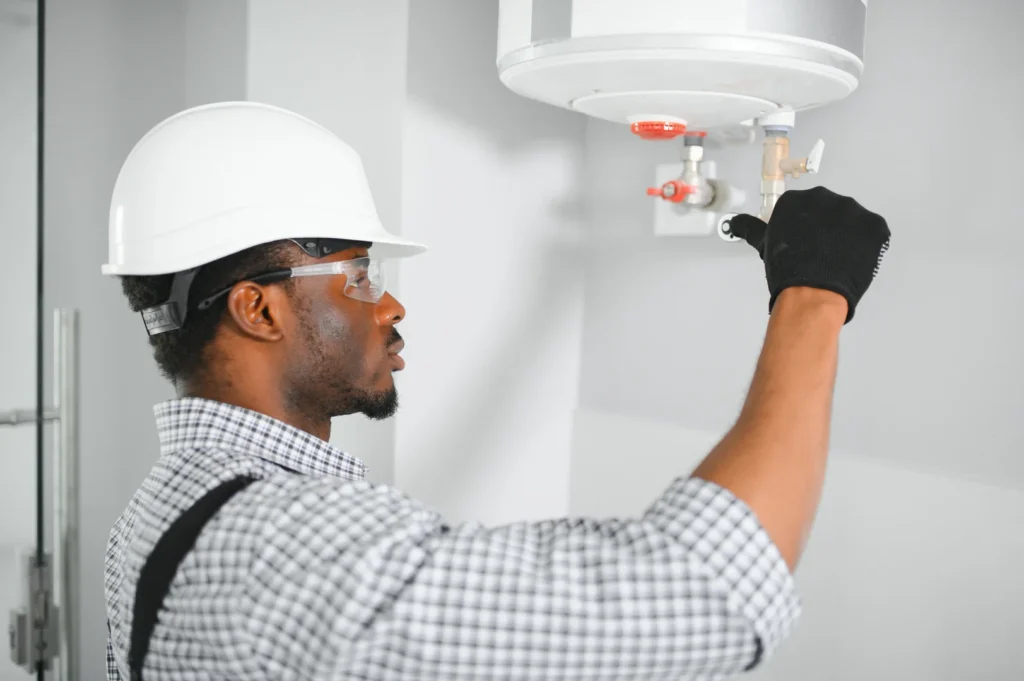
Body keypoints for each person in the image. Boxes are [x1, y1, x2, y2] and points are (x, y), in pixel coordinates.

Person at [101, 101, 890, 681]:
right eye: (359, 274)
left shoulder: (170, 501)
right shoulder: (276, 546)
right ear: (258, 308)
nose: (390, 304)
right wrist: (813, 293)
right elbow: (704, 590)